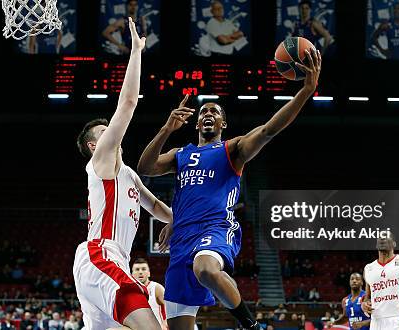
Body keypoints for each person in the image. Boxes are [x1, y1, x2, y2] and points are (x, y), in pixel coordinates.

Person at [137, 48, 322, 330]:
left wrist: (306, 91)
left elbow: (269, 130)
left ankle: (250, 325)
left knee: (205, 269)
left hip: (215, 228)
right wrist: (165, 129)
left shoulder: (232, 149)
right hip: (182, 239)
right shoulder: (180, 154)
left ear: (223, 123)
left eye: (215, 111)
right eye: (203, 111)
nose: (208, 113)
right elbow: (145, 168)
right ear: (197, 122)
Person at [72, 17, 171, 330]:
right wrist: (137, 51)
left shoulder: (126, 173)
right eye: (105, 131)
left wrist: (184, 223)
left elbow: (156, 208)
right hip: (101, 254)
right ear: (93, 145)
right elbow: (127, 103)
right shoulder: (101, 161)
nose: (112, 133)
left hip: (113, 261)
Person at [362, 232, 399, 330]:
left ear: (394, 243)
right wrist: (364, 305)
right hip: (376, 322)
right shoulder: (368, 268)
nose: (382, 239)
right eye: (380, 237)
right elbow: (367, 298)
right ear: (376, 244)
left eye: (386, 237)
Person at [131, 258, 168, 329]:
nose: (140, 272)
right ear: (132, 274)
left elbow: (170, 309)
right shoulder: (130, 292)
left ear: (149, 273)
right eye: (137, 269)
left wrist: (165, 323)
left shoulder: (157, 288)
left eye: (143, 269)